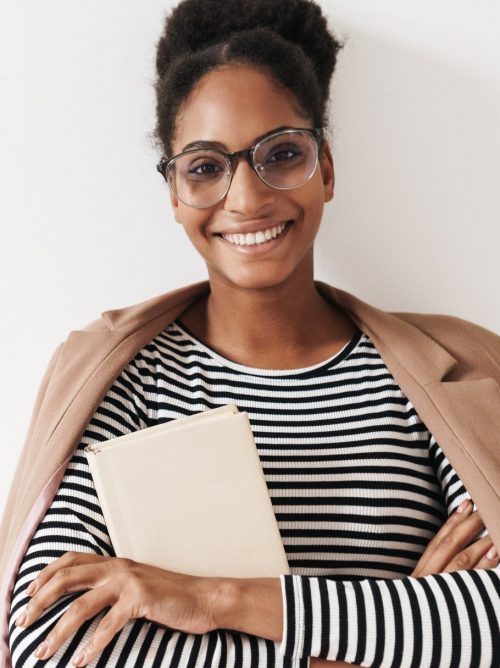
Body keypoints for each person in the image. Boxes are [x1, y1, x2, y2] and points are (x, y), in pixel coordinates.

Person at [1, 0, 499, 666]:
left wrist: (214, 600)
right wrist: (382, 638)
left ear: (325, 167)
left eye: (282, 154)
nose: (246, 198)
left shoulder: (452, 373)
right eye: (205, 168)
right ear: (174, 195)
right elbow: (47, 639)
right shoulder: (125, 378)